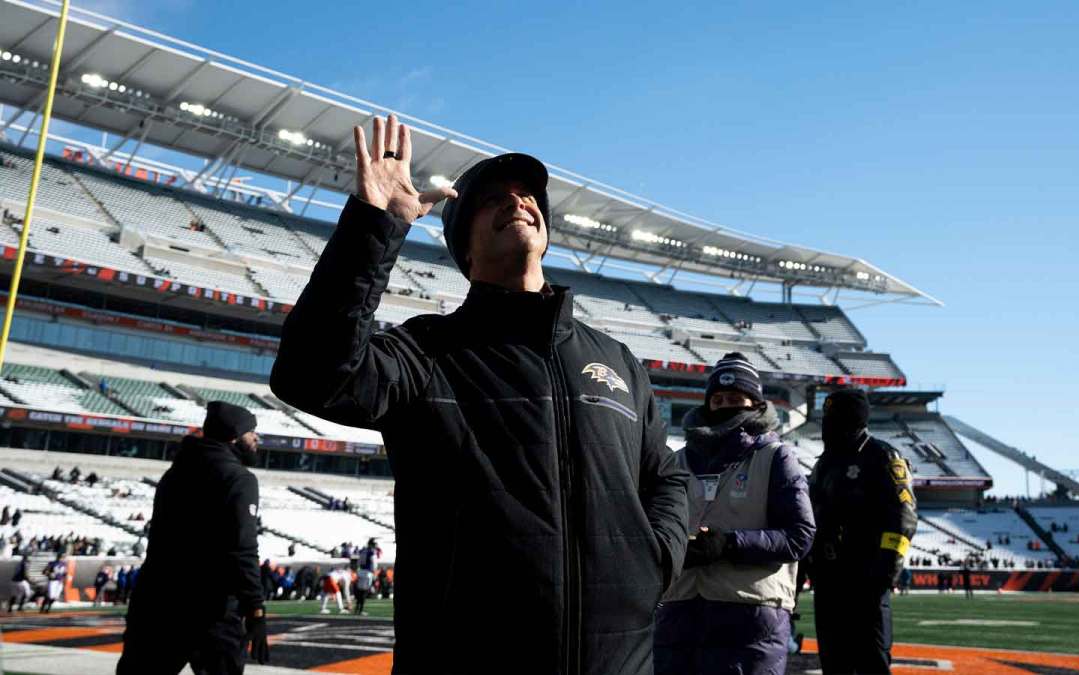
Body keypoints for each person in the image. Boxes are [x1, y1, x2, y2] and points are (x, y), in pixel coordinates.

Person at [271, 114, 689, 674]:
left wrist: (656, 558)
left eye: (526, 195)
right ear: (464, 249)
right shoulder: (425, 351)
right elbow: (310, 373)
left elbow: (665, 475)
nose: (517, 202)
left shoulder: (616, 362)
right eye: (493, 200)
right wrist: (379, 225)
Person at [654, 353, 815, 675]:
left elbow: (799, 536)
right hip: (679, 608)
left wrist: (728, 544)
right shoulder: (679, 460)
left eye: (735, 398)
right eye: (718, 399)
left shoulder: (776, 456)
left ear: (754, 403)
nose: (724, 404)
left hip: (749, 612)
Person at [117, 401, 269, 674]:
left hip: (155, 604)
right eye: (251, 431)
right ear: (234, 436)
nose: (256, 438)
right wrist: (255, 610)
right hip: (210, 610)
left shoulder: (175, 473)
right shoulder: (238, 479)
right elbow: (242, 549)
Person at [807, 388, 918, 674]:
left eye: (836, 418)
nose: (828, 426)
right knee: (834, 665)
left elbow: (903, 518)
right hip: (828, 583)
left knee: (872, 664)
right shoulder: (823, 465)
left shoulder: (882, 456)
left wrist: (885, 570)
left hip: (867, 581)